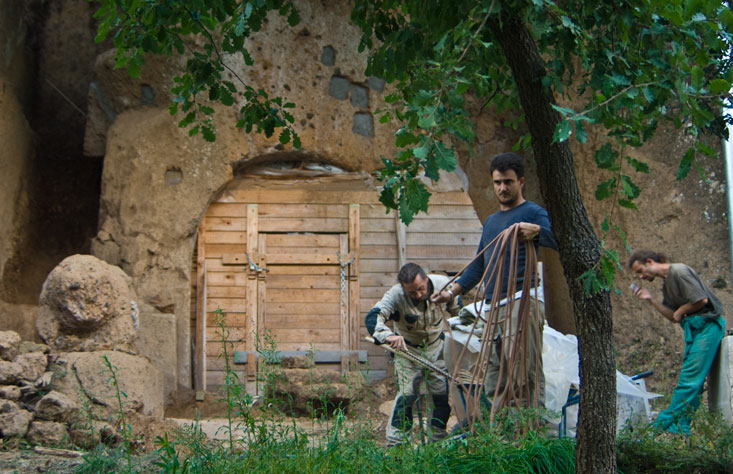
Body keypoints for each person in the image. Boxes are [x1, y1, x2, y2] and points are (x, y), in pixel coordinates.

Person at [432, 152, 557, 410]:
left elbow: (557, 239)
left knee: (523, 374)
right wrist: (451, 292)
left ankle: (529, 435)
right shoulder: (491, 221)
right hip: (493, 308)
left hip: (522, 301)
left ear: (521, 182)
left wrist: (538, 232)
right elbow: (479, 264)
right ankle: (504, 436)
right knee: (495, 378)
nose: (502, 188)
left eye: (508, 182)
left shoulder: (533, 212)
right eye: (497, 182)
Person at [629, 250, 726, 434]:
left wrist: (681, 310)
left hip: (708, 326)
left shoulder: (679, 272)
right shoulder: (667, 285)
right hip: (694, 330)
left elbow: (700, 300)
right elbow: (673, 317)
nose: (641, 276)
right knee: (693, 385)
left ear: (650, 261)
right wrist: (651, 300)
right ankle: (680, 429)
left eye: (641, 270)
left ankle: (657, 428)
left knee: (689, 381)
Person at [365, 262, 460, 445]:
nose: (418, 295)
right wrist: (388, 336)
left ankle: (437, 439)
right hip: (407, 350)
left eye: (421, 289)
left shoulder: (443, 284)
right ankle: (398, 443)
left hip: (436, 348)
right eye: (412, 292)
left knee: (441, 395)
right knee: (407, 396)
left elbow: (459, 311)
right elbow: (373, 316)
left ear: (426, 279)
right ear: (403, 288)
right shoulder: (395, 295)